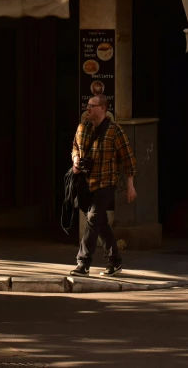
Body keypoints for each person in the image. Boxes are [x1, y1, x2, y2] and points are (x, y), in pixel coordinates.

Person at [70, 95, 137, 277]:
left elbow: (128, 159)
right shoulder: (82, 127)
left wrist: (130, 185)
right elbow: (75, 147)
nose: (88, 109)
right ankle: (115, 261)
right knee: (100, 222)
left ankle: (83, 263)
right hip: (86, 182)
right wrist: (76, 160)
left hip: (106, 182)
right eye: (88, 105)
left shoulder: (115, 131)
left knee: (93, 219)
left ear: (103, 109)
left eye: (93, 106)